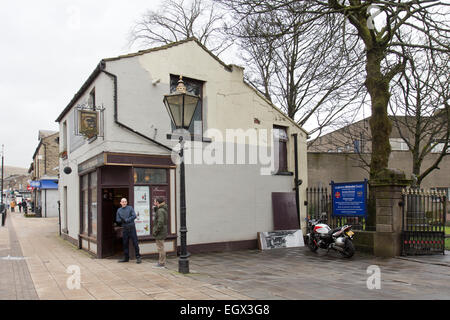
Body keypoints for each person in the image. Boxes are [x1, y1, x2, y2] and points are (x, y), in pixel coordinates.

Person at [116, 198, 141, 264]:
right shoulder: (119, 210)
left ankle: (138, 257)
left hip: (132, 228)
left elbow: (134, 216)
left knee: (135, 243)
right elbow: (117, 219)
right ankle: (126, 258)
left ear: (127, 202)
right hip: (125, 229)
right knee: (125, 244)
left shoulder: (130, 208)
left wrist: (126, 220)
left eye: (125, 202)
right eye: (123, 202)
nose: (124, 203)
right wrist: (122, 220)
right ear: (120, 203)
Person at [152, 198, 168, 268]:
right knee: (161, 247)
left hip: (160, 232)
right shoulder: (160, 209)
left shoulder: (160, 211)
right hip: (162, 231)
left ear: (157, 202)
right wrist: (156, 208)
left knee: (160, 248)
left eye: (155, 201)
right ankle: (161, 262)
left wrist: (155, 231)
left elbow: (160, 222)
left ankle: (161, 263)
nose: (154, 202)